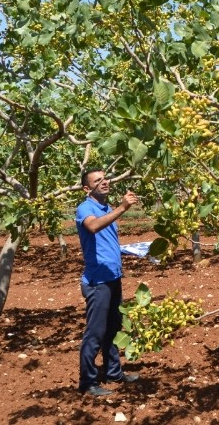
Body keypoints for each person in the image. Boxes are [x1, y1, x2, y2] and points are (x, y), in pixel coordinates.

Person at [76, 168, 141, 397]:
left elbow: (107, 241)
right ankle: (87, 383)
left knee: (113, 329)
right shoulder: (85, 208)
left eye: (105, 178)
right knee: (95, 333)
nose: (105, 182)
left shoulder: (106, 209)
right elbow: (93, 227)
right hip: (97, 282)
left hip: (113, 278)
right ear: (87, 188)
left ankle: (114, 372)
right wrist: (123, 208)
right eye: (98, 180)